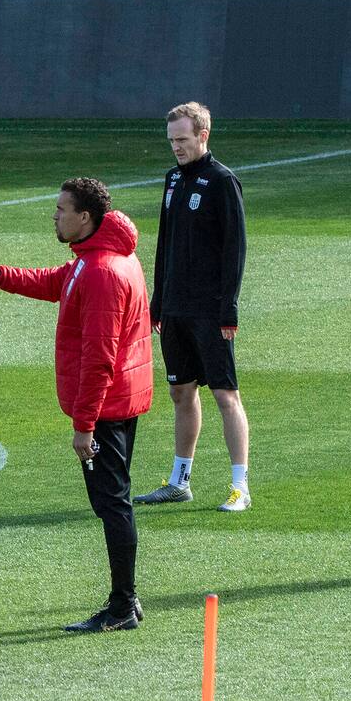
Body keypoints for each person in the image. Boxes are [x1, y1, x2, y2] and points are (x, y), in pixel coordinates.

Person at [0, 178, 153, 634]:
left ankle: (123, 605)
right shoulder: (99, 258)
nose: (54, 216)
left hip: (106, 408)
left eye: (61, 209)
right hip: (121, 400)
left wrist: (84, 426)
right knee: (113, 502)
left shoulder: (101, 271)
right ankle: (126, 601)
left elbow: (100, 357)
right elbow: (57, 281)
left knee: (113, 505)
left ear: (85, 217)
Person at [135, 102, 251, 512]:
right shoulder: (171, 180)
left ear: (204, 135)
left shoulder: (222, 181)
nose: (176, 148)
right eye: (171, 141)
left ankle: (240, 487)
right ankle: (179, 480)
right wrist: (157, 301)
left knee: (225, 395)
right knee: (181, 392)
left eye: (182, 140)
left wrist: (228, 309)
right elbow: (165, 244)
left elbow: (235, 249)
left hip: (210, 310)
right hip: (176, 309)